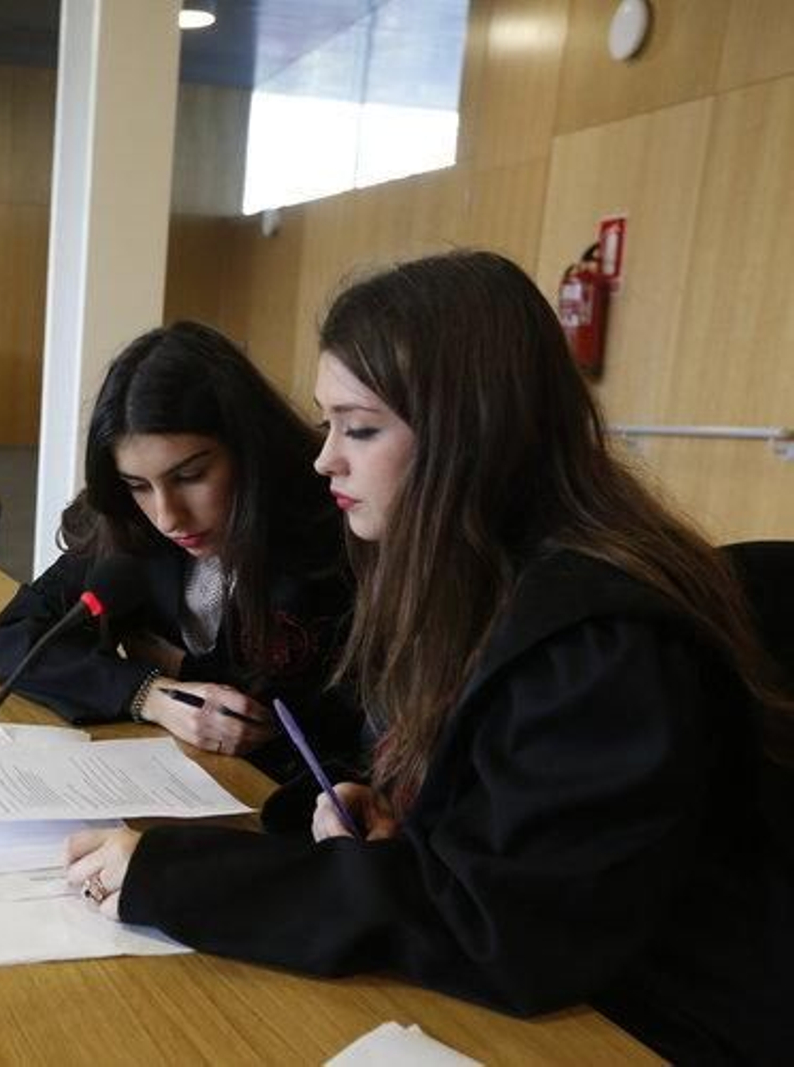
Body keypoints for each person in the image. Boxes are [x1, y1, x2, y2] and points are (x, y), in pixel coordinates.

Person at [63, 251, 794, 1064]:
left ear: (468, 433)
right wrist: (404, 816)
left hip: (656, 1027)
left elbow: (507, 930)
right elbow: (521, 832)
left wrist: (178, 878)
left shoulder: (597, 639)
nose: (324, 458)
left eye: (361, 428)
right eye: (328, 421)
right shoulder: (480, 577)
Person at [0, 322, 356, 774]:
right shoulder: (128, 524)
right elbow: (20, 634)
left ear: (248, 448)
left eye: (190, 477)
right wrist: (149, 694)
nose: (167, 517)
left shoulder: (333, 531)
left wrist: (174, 662)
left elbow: (322, 722)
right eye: (139, 485)